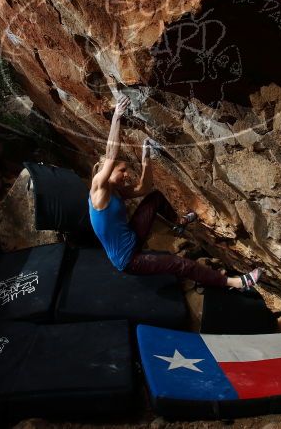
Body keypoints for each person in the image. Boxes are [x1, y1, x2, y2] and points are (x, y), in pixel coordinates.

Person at [88, 93, 262, 290]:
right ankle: (236, 283)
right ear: (107, 173)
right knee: (180, 264)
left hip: (132, 237)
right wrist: (117, 117)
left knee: (154, 198)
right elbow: (111, 155)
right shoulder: (99, 189)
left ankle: (179, 223)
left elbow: (144, 188)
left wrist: (146, 158)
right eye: (122, 171)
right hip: (128, 259)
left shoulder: (116, 191)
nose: (126, 174)